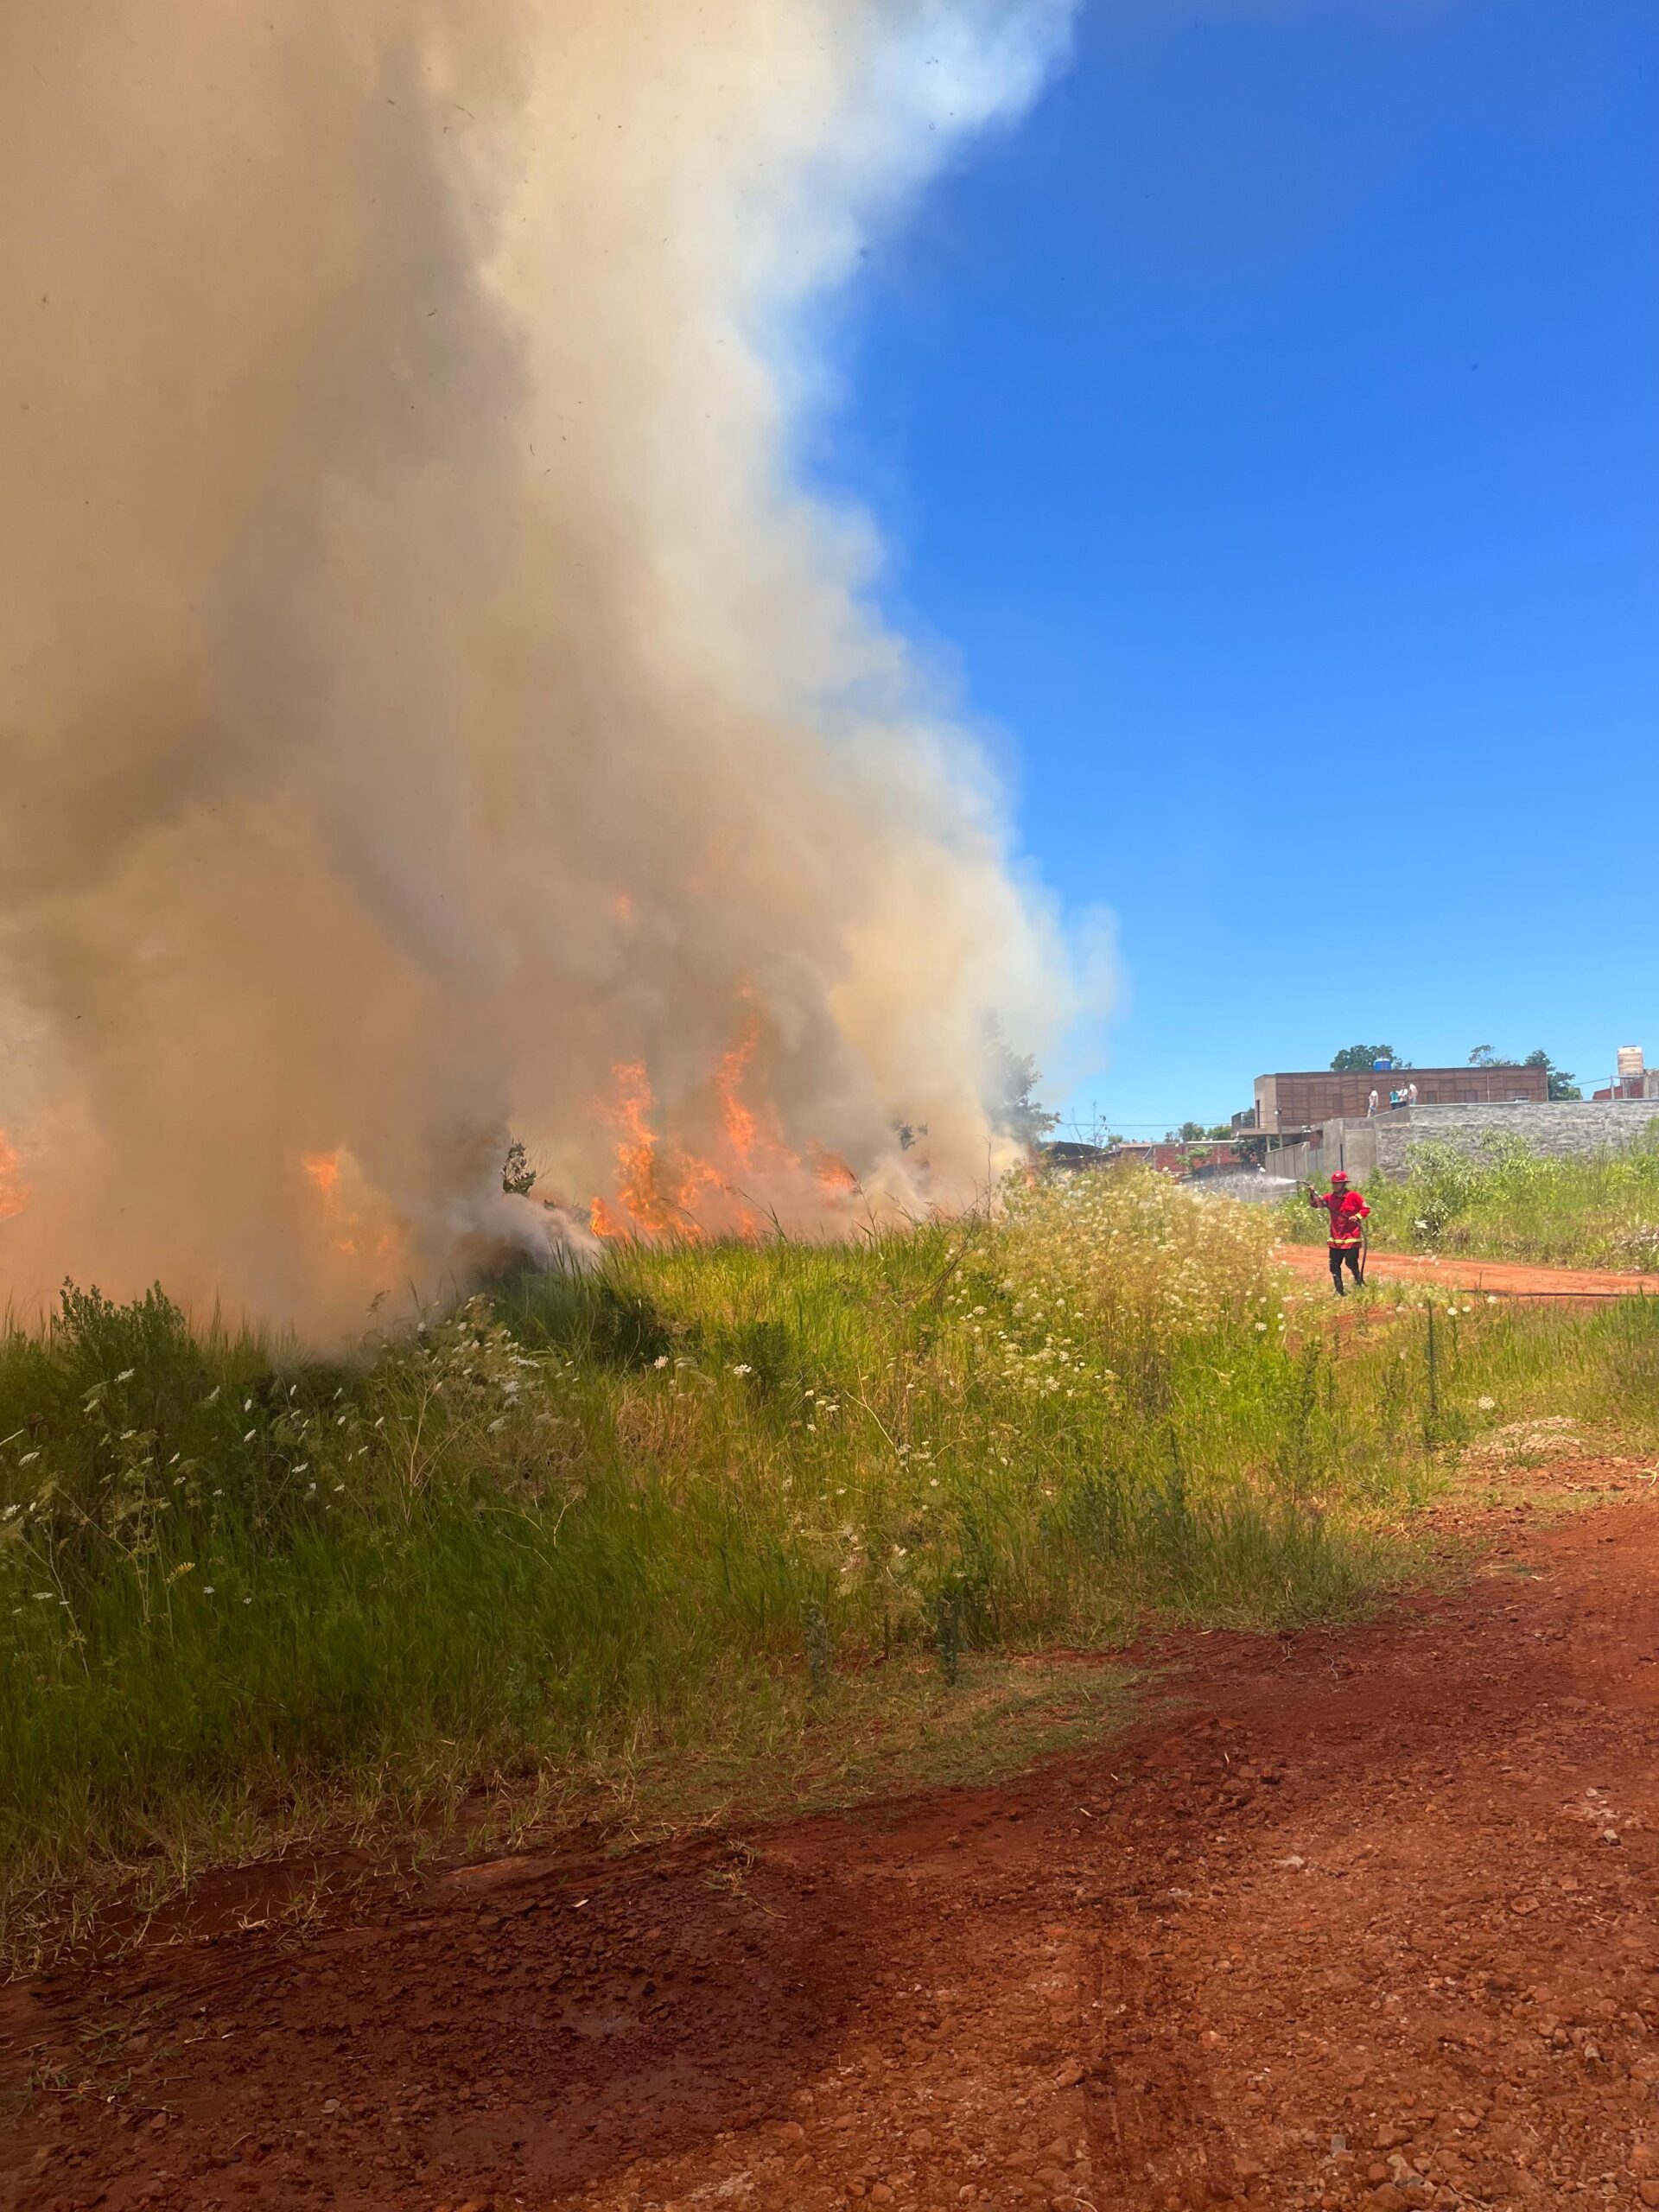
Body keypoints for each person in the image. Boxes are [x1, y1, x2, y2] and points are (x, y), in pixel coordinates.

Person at [1308, 1169, 1370, 1294]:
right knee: (1334, 1266)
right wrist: (1311, 1193)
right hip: (1335, 1240)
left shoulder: (1353, 1196)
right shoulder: (1330, 1198)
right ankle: (1340, 1291)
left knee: (1350, 1261)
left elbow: (1366, 1209)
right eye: (1334, 1184)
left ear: (1344, 1184)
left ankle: (1358, 1280)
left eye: (1338, 1183)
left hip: (1351, 1238)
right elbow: (1316, 1204)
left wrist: (1357, 1216)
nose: (1335, 1186)